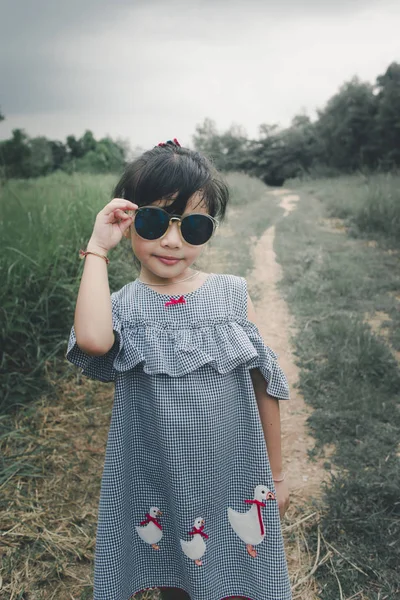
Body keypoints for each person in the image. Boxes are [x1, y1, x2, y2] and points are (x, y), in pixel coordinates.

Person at [66, 139, 292, 600]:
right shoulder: (122, 306)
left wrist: (279, 474)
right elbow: (92, 341)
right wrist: (97, 248)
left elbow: (261, 381)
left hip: (234, 467)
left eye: (193, 227)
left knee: (239, 570)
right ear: (127, 222)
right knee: (178, 572)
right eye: (153, 221)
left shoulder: (230, 293)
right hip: (160, 474)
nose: (172, 241)